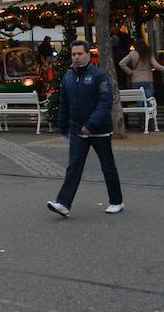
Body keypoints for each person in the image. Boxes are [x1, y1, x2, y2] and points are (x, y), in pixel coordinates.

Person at [47, 40, 123, 218]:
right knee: (74, 167)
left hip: (99, 130)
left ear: (88, 54)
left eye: (80, 54)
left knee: (107, 166)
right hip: (77, 131)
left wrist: (91, 124)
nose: (76, 57)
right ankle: (63, 204)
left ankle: (116, 201)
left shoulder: (99, 76)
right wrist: (63, 125)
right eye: (73, 54)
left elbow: (105, 103)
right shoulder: (68, 77)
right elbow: (64, 104)